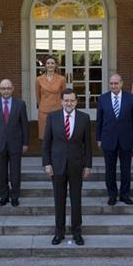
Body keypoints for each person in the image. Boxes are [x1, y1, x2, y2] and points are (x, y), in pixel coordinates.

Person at [43, 88, 92, 246]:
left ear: (76, 101)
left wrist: (88, 165)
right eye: (66, 100)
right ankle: (59, 233)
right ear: (61, 101)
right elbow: (46, 143)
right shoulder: (52, 117)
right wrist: (47, 163)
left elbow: (88, 146)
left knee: (76, 200)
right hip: (57, 166)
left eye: (72, 100)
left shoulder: (84, 118)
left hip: (77, 165)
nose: (69, 103)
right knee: (59, 201)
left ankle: (77, 233)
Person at [96, 74, 133, 206]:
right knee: (110, 170)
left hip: (126, 139)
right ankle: (112, 195)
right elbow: (99, 121)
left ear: (121, 83)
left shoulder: (131, 98)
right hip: (108, 139)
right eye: (111, 83)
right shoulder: (102, 99)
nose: (114, 86)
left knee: (126, 169)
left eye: (116, 83)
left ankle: (125, 195)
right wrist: (98, 138)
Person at [0, 79, 29, 207]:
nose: (6, 91)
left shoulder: (20, 104)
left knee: (15, 172)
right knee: (1, 172)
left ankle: (15, 196)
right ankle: (4, 196)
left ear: (12, 89)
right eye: (3, 88)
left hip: (16, 143)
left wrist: (25, 143)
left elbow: (25, 125)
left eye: (8, 88)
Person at [35, 55, 66, 140]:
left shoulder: (61, 79)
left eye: (52, 63)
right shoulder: (39, 79)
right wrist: (41, 106)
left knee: (57, 137)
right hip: (44, 111)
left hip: (57, 111)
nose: (50, 65)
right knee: (45, 138)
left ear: (55, 65)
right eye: (48, 63)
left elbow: (64, 96)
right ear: (45, 65)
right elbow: (38, 96)